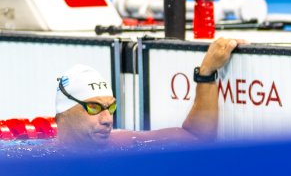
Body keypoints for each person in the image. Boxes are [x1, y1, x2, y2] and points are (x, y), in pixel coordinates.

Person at [54, 37, 242, 148]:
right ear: (63, 113)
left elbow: (197, 137)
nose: (107, 119)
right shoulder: (36, 157)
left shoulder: (120, 144)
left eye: (110, 107)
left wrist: (206, 72)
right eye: (94, 108)